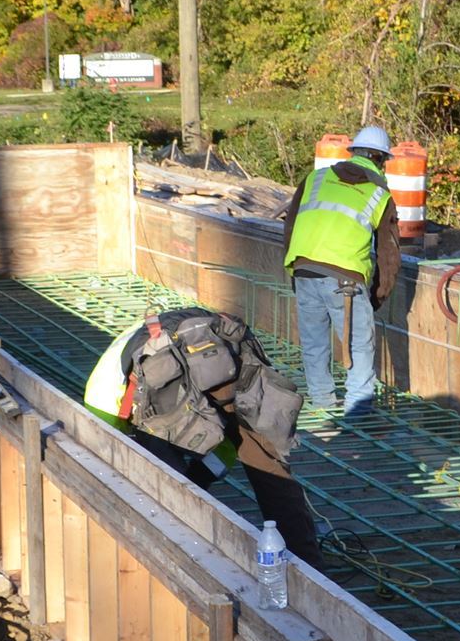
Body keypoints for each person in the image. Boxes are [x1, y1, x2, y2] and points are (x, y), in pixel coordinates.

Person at [83, 305, 325, 555]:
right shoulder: (110, 387)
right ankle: (306, 558)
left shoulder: (101, 406)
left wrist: (189, 484)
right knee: (266, 464)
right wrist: (198, 480)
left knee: (163, 473)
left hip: (178, 361)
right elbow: (229, 447)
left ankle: (180, 549)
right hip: (229, 344)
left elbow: (116, 465)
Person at [282, 123, 400, 421]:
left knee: (314, 344)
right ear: (380, 159)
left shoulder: (315, 178)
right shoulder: (379, 193)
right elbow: (388, 255)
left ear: (354, 152)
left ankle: (322, 405)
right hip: (345, 280)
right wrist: (377, 296)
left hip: (304, 269)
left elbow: (291, 226)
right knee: (359, 346)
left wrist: (294, 272)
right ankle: (357, 416)